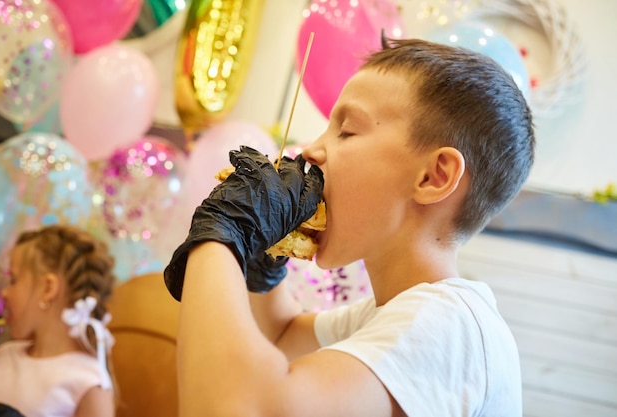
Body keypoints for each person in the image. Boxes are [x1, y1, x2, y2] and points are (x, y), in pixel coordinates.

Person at [164, 37, 535, 417]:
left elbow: (244, 407)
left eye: (347, 131)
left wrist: (225, 229)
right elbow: (281, 334)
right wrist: (261, 257)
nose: (310, 151)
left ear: (433, 177)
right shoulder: (391, 313)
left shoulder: (451, 324)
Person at [0, 225, 117, 417]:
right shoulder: (4, 355)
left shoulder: (87, 383)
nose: (5, 293)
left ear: (48, 288)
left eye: (14, 280)